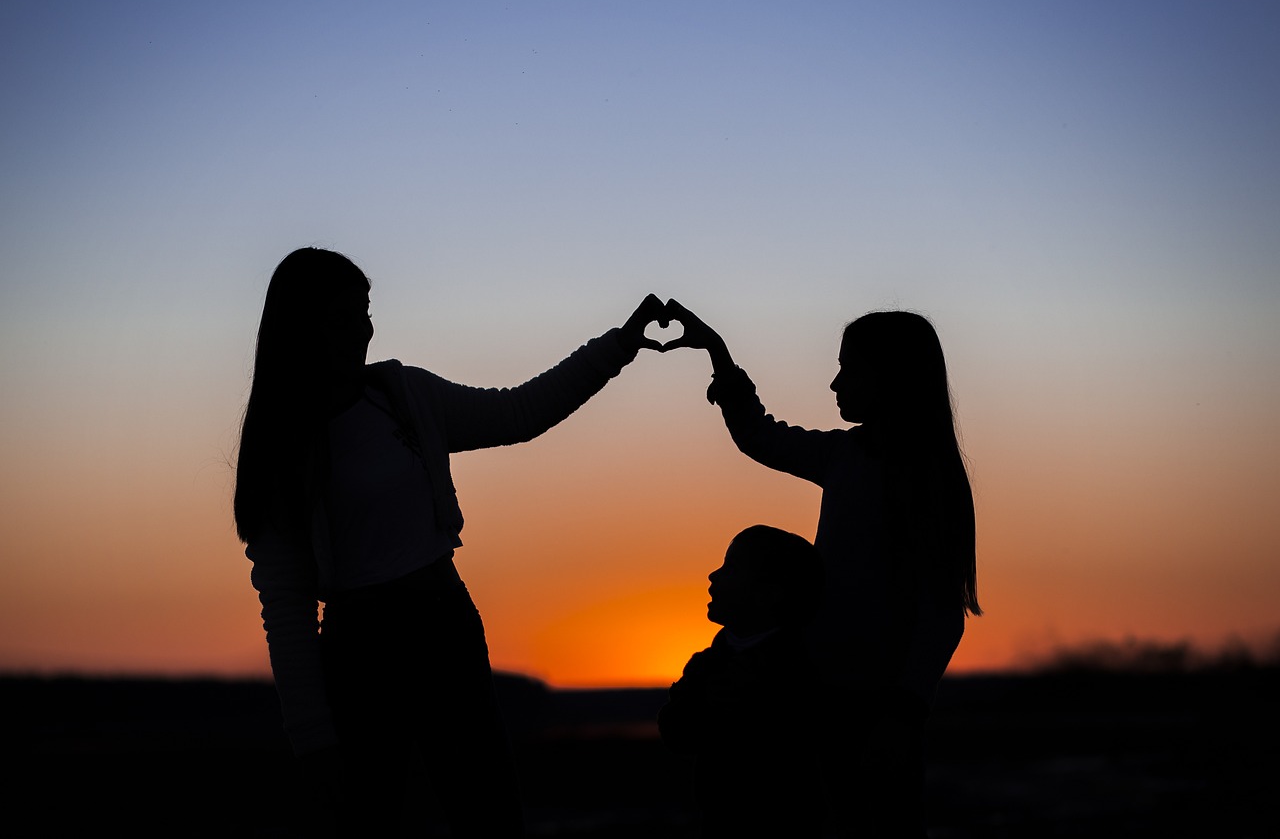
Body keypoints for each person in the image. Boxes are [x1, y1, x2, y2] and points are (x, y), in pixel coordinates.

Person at [233, 246, 669, 837]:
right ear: (300, 328)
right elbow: (285, 610)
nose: (362, 329)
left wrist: (619, 346)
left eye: (365, 310)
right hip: (361, 653)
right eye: (342, 318)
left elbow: (518, 412)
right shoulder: (281, 451)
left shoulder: (403, 396)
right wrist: (312, 738)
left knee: (489, 821)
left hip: (447, 626)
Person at [662, 302, 982, 838]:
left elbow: (941, 613)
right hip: (815, 694)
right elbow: (759, 436)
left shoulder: (931, 482)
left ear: (893, 377)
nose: (835, 383)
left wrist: (904, 713)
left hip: (879, 707)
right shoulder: (843, 455)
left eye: (849, 368)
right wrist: (719, 357)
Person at [658, 525, 826, 838]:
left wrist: (759, 701)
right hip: (719, 823)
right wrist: (704, 705)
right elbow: (675, 734)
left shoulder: (801, 668)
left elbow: (811, 732)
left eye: (731, 568)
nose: (713, 575)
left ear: (770, 593)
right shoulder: (704, 667)